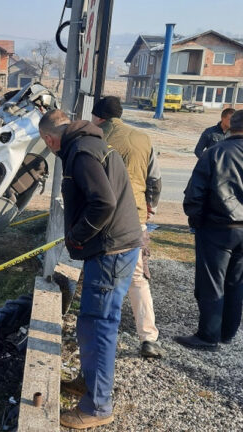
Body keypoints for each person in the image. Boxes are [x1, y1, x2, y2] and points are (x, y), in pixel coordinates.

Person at [38, 109, 142, 429]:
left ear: (49, 140)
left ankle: (98, 406)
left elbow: (103, 203)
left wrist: (77, 236)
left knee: (99, 326)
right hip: (114, 247)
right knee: (89, 321)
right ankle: (89, 381)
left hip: (111, 251)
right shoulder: (90, 143)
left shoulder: (81, 153)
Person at [178, 109, 243, 349]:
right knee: (236, 282)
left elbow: (194, 194)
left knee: (211, 282)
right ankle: (227, 332)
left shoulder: (215, 152)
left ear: (230, 126)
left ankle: (209, 336)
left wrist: (196, 221)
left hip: (216, 227)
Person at [90, 96, 164, 358]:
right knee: (137, 278)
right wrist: (150, 206)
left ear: (98, 116)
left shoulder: (94, 138)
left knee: (100, 275)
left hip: (102, 218)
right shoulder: (143, 138)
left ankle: (99, 334)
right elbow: (154, 180)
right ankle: (149, 338)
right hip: (135, 217)